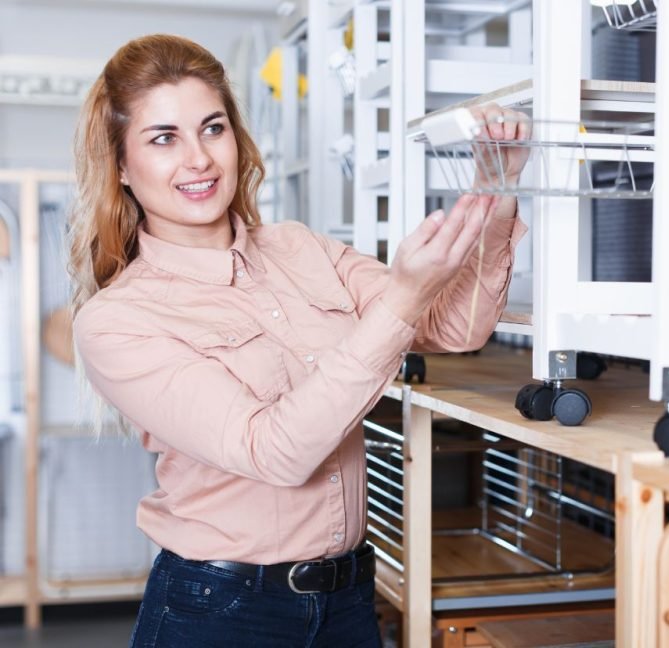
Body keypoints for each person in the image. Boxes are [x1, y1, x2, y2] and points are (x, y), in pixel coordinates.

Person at [69, 34, 527, 647]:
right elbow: (275, 451)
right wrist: (401, 298)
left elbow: (452, 326)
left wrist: (495, 186)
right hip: (219, 614)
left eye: (213, 128)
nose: (199, 159)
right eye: (164, 139)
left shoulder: (300, 248)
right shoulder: (118, 320)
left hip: (347, 603)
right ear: (122, 166)